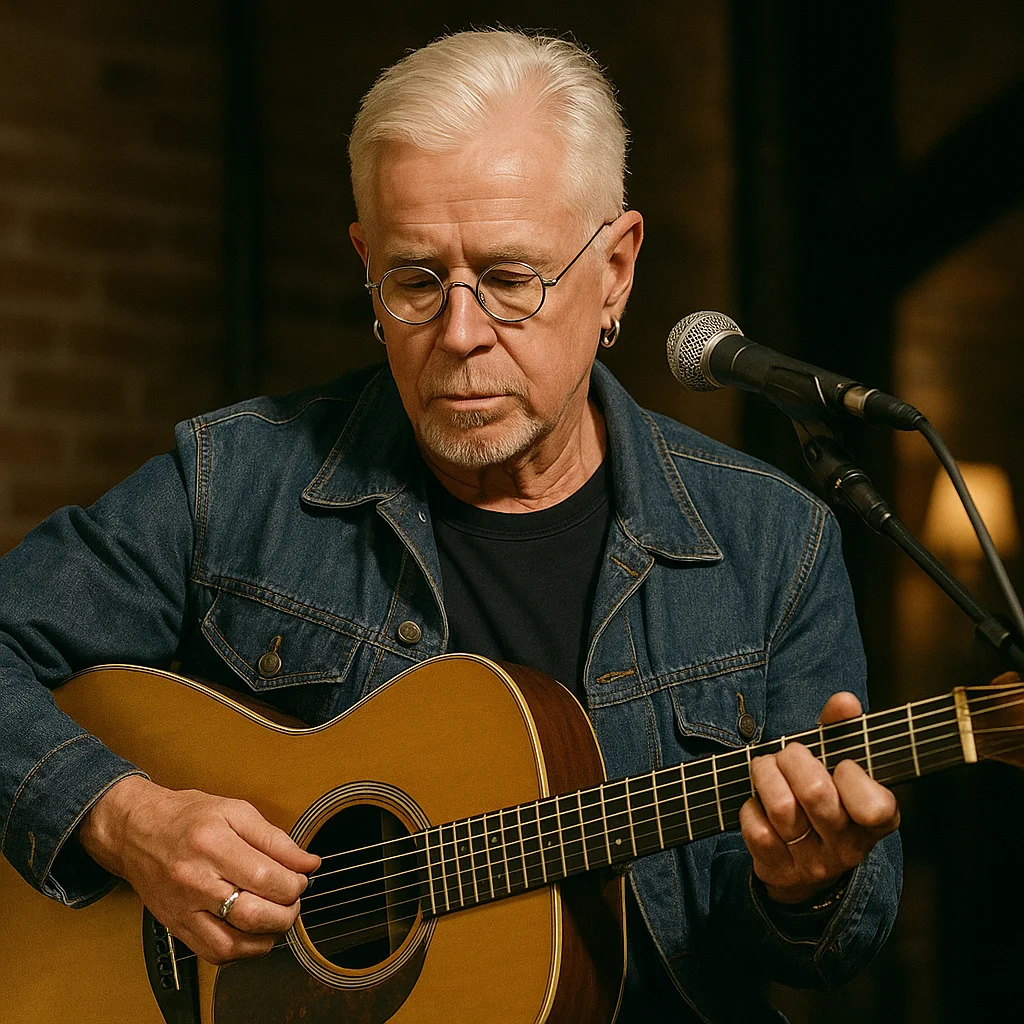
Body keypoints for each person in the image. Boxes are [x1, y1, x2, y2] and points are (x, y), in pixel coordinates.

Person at [0, 28, 900, 1022]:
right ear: (366, 263)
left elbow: (838, 944)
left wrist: (805, 887)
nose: (460, 334)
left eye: (511, 280)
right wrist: (123, 817)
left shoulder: (774, 541)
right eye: (415, 280)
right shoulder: (236, 482)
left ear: (615, 268)